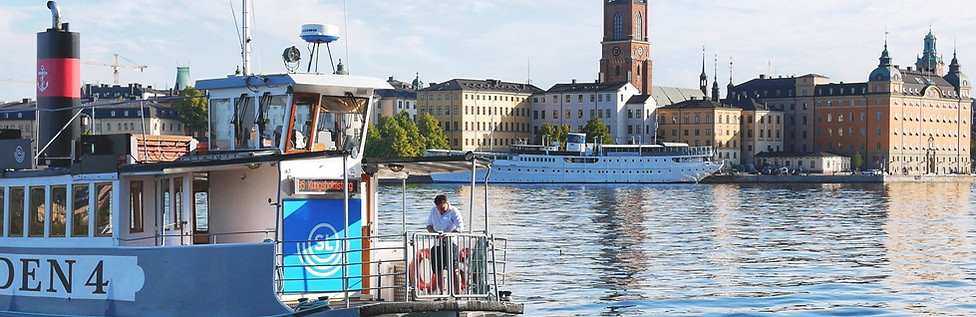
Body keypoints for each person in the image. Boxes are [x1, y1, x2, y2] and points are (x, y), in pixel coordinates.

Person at [426, 194, 463, 294]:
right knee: (438, 271)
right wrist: (434, 234)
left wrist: (447, 236)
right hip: (437, 244)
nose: (440, 210)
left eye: (441, 207)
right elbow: (428, 225)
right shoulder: (434, 210)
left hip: (450, 244)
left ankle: (457, 293)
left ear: (446, 203)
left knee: (453, 269)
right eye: (438, 208)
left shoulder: (454, 211)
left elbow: (460, 227)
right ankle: (442, 293)